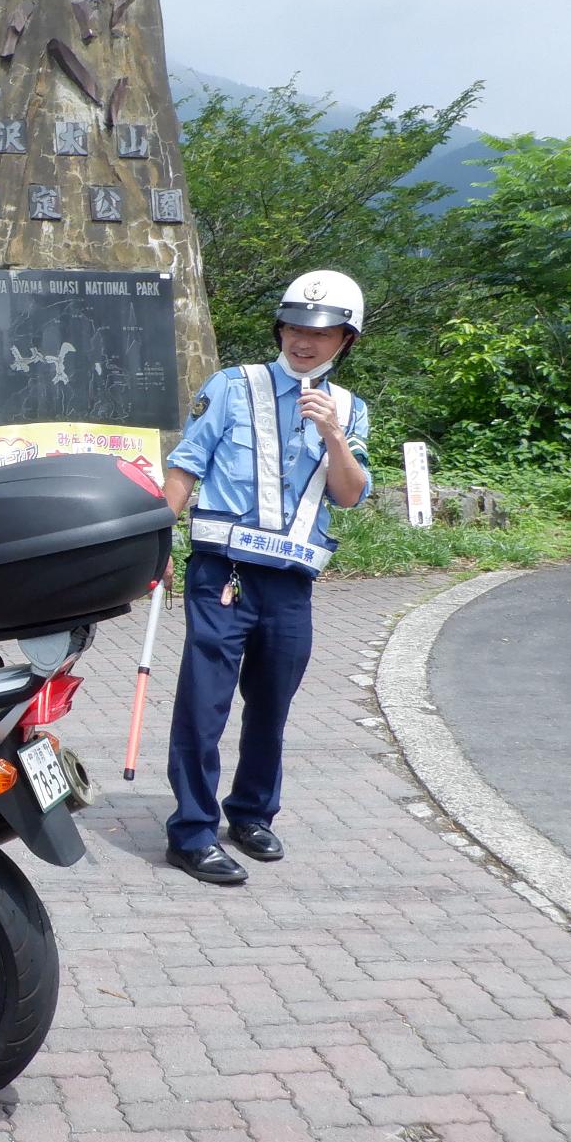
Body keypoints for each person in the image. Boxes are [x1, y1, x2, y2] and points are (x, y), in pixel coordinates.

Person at [160, 269, 373, 885]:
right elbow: (184, 469)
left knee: (272, 703)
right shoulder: (233, 387)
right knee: (205, 704)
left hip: (290, 583)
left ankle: (251, 812)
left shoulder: (351, 410)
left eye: (322, 331)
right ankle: (192, 832)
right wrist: (153, 543)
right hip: (222, 573)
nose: (304, 340)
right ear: (280, 328)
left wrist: (333, 432)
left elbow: (350, 494)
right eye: (295, 327)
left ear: (345, 341)